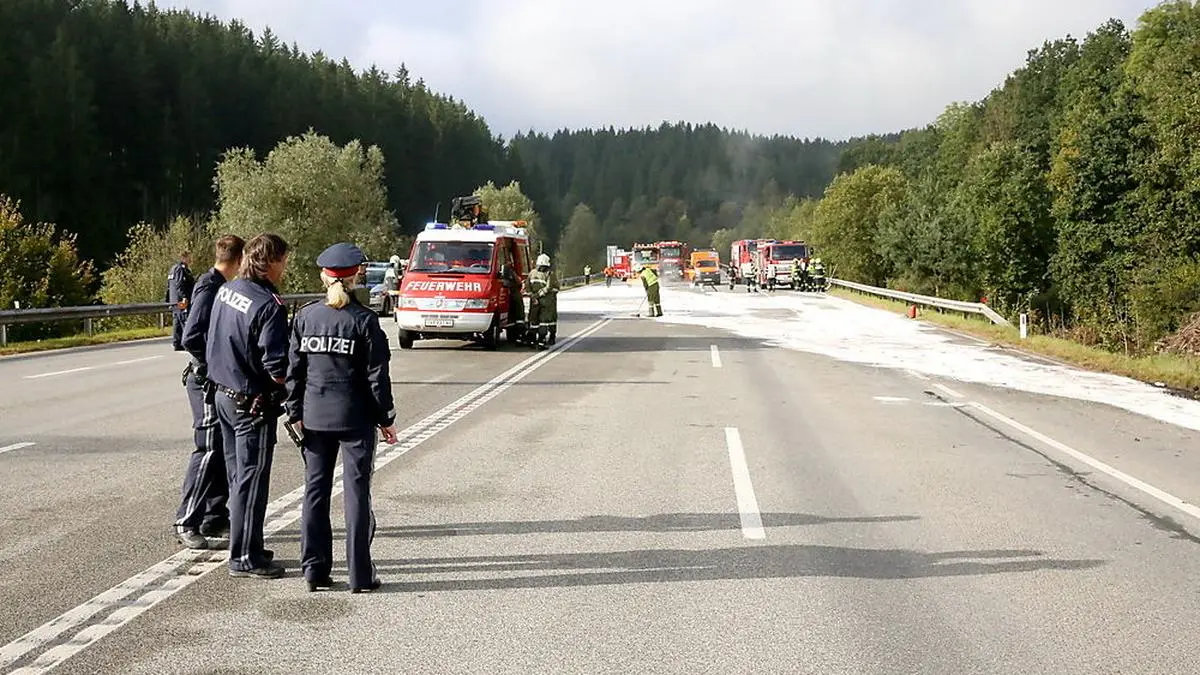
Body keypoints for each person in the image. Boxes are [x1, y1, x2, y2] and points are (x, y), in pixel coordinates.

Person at [286, 243, 398, 594]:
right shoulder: (364, 320)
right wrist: (385, 418)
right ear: (355, 277)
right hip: (356, 419)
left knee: (315, 493)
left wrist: (294, 412)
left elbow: (294, 372)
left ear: (323, 276)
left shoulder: (305, 317)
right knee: (356, 493)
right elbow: (377, 377)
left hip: (315, 418)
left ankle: (314, 571)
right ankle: (360, 576)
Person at [205, 233, 291, 580]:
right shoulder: (268, 305)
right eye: (284, 261)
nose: (285, 268)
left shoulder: (228, 291)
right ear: (270, 262)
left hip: (223, 396)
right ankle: (244, 556)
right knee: (251, 482)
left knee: (237, 477)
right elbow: (277, 369)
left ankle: (249, 544)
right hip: (250, 405)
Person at [174, 234, 244, 550]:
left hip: (217, 380)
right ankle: (186, 520)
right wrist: (215, 364)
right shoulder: (208, 285)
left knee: (221, 446)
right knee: (207, 447)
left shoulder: (224, 286)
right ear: (239, 259)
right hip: (204, 380)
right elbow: (192, 336)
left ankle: (214, 516)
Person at [523, 253, 560, 348]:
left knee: (534, 320)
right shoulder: (549, 274)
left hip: (535, 301)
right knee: (543, 321)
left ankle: (532, 340)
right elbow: (549, 287)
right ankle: (541, 341)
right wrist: (538, 295)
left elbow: (527, 287)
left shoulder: (532, 273)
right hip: (546, 302)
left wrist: (533, 297)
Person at [167, 252, 196, 351]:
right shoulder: (180, 269)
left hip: (174, 299)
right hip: (181, 300)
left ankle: (177, 343)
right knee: (184, 321)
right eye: (189, 258)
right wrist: (184, 297)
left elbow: (169, 286)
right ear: (184, 258)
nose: (191, 260)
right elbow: (180, 285)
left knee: (177, 322)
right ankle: (188, 343)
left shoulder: (172, 269)